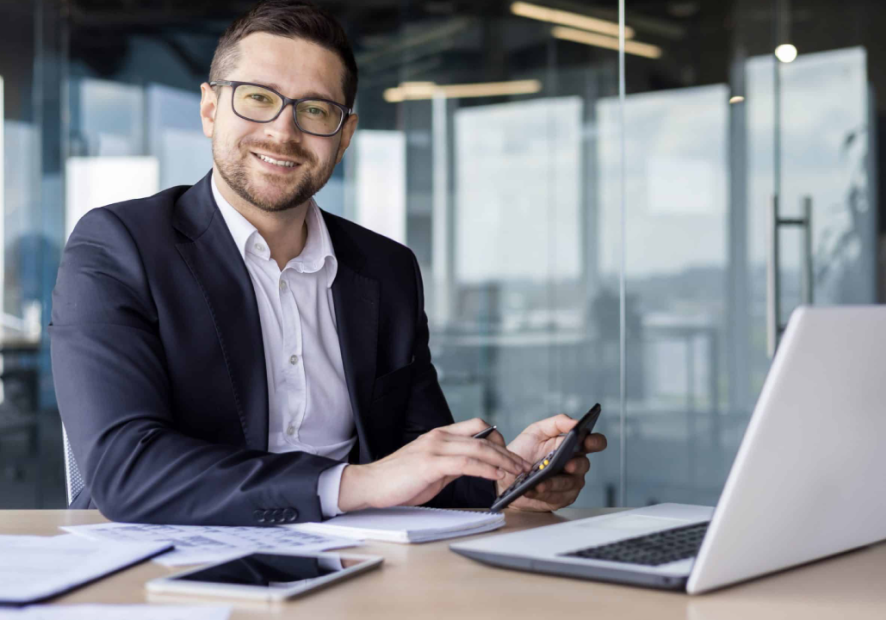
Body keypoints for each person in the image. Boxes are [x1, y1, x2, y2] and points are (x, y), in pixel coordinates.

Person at [50, 0, 607, 525]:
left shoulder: (387, 270)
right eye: (258, 98)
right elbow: (126, 469)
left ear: (345, 138)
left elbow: (416, 465)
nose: (283, 132)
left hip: (354, 568)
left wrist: (505, 475)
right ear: (210, 109)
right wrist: (352, 484)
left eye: (316, 109)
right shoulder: (120, 245)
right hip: (171, 569)